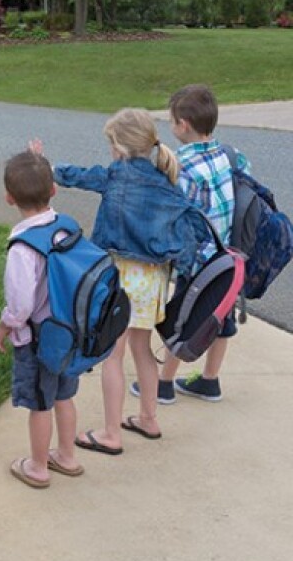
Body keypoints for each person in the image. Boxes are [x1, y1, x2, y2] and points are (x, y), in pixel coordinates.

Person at [49, 109, 209, 453]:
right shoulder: (165, 178)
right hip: (153, 281)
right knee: (141, 348)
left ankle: (111, 433)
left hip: (121, 278)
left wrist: (46, 167)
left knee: (112, 355)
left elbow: (80, 176)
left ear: (119, 147)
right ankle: (148, 418)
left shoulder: (116, 176)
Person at [135, 85, 250, 404]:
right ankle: (209, 380)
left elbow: (169, 210)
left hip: (197, 260)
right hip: (228, 257)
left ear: (183, 124)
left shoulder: (181, 164)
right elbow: (245, 180)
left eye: (171, 121)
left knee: (184, 319)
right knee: (220, 313)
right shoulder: (229, 154)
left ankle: (164, 384)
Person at [0, 150, 83, 488]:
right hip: (68, 333)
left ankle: (37, 466)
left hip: (36, 341)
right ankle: (67, 455)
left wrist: (5, 325)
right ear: (54, 191)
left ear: (8, 198)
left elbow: (19, 305)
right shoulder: (67, 227)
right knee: (64, 396)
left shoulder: (22, 248)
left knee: (41, 404)